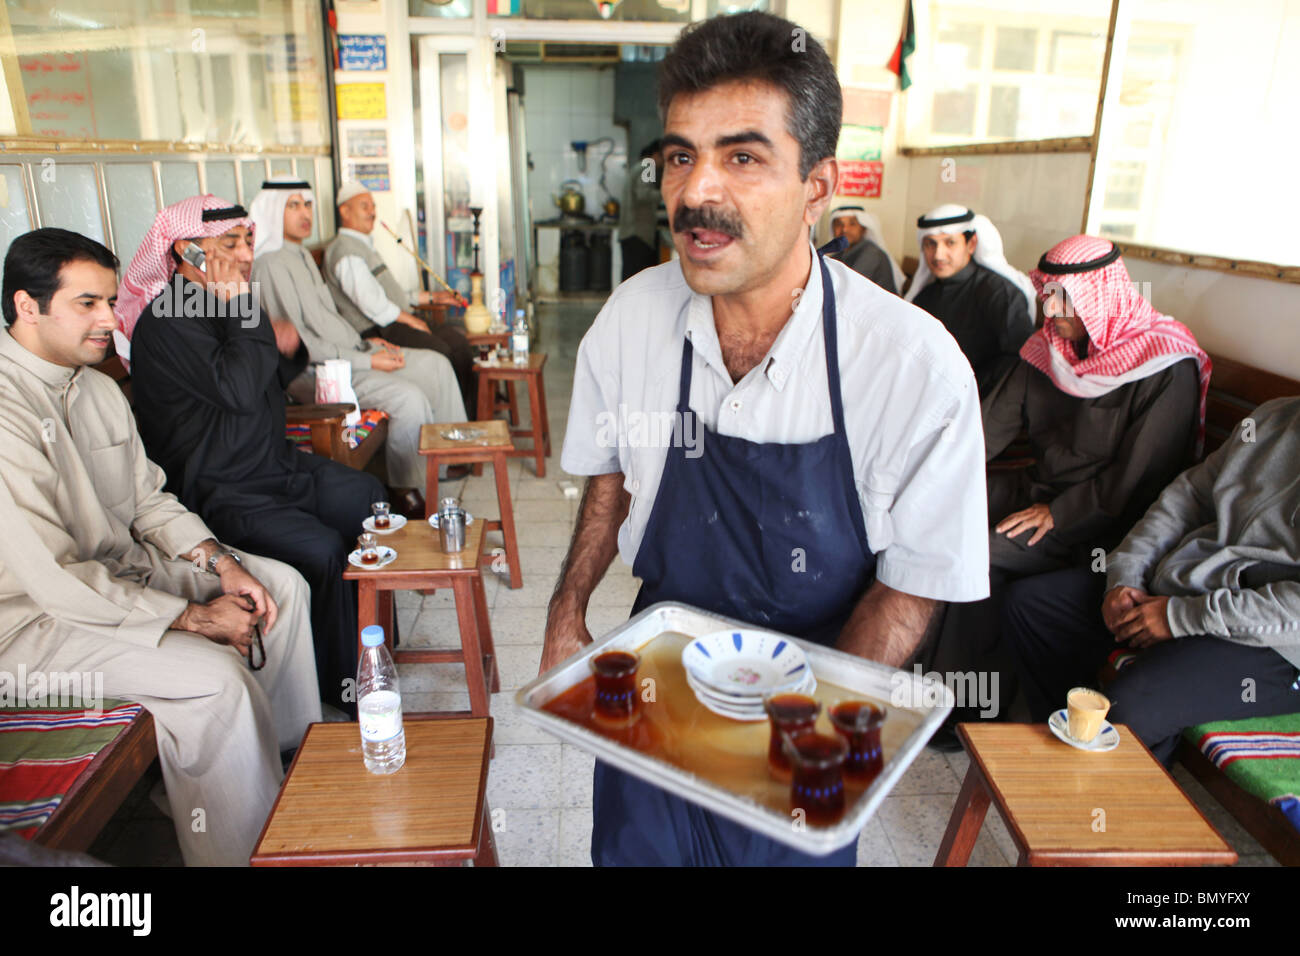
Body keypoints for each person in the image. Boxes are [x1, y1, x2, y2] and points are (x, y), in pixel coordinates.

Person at [540, 11, 988, 867]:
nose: (697, 194)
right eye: (680, 156)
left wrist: (804, 733)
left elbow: (913, 587)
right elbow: (610, 475)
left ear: (818, 187)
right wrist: (569, 609)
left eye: (743, 158)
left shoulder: (911, 367)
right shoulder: (632, 319)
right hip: (654, 689)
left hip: (811, 713)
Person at [0, 228, 320, 865]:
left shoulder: (92, 387)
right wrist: (194, 617)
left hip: (121, 571)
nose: (109, 318)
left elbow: (148, 500)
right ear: (27, 306)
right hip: (34, 621)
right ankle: (243, 850)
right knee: (216, 682)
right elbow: (56, 579)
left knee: (279, 586)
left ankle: (282, 773)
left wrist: (222, 565)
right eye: (87, 303)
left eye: (111, 301)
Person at [926, 235, 1209, 732]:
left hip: (1104, 528)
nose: (1050, 308)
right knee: (933, 514)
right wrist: (929, 469)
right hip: (1037, 497)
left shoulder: (1165, 365)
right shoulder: (1048, 351)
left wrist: (1061, 513)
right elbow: (983, 431)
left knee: (978, 551)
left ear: (1103, 296)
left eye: (1064, 297)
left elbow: (1136, 483)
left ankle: (961, 713)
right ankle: (959, 695)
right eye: (1046, 293)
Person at [117, 195, 385, 715]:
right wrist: (249, 312)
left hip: (274, 467)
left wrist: (288, 347)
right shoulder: (167, 321)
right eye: (228, 244)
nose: (243, 254)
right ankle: (343, 687)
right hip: (220, 488)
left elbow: (268, 377)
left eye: (246, 240)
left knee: (365, 496)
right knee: (323, 549)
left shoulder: (223, 300)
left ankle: (368, 638)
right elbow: (239, 389)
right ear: (186, 251)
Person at [1002, 397, 1300, 765]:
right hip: (1182, 589)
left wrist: (1179, 617)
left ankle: (1111, 807)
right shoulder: (1273, 416)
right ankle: (1070, 756)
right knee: (1032, 606)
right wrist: (1124, 576)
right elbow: (1188, 495)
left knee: (1128, 712)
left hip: (1270, 642)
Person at [248, 178, 467, 517]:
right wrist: (369, 362)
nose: (304, 214)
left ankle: (448, 459)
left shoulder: (301, 254)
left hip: (350, 353)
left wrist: (367, 344)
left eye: (306, 204)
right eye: (293, 205)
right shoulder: (271, 264)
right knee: (409, 398)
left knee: (436, 364)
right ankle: (405, 492)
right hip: (318, 373)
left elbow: (329, 319)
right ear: (273, 209)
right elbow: (301, 345)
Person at [325, 182, 475, 412]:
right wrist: (413, 320)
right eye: (364, 206)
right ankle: (453, 422)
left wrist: (434, 298)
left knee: (459, 342)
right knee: (444, 351)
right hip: (380, 330)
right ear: (344, 211)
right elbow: (373, 304)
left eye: (373, 206)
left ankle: (469, 416)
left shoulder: (364, 246)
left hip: (395, 321)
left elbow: (391, 296)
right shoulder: (345, 251)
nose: (372, 212)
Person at [903, 204, 1035, 395]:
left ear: (971, 244)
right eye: (931, 244)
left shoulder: (1000, 293)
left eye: (950, 243)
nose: (938, 255)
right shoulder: (924, 296)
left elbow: (1017, 366)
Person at [828, 205, 902, 295]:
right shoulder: (840, 254)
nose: (845, 229)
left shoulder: (872, 254)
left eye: (852, 224)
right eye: (839, 224)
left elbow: (849, 288)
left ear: (863, 229)